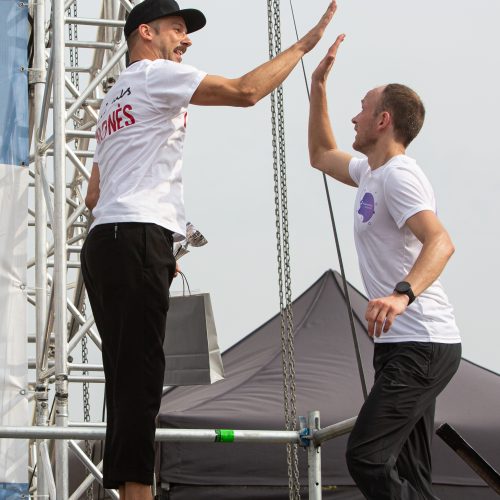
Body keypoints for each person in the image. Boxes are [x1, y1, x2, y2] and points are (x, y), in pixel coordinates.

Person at [81, 0, 338, 498]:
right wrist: (302, 47)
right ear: (146, 34)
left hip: (106, 241)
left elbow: (94, 193)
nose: (187, 38)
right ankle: (138, 493)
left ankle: (130, 489)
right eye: (178, 28)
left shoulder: (114, 97)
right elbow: (246, 92)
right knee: (140, 379)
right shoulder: (154, 75)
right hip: (134, 236)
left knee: (126, 379)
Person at [308, 35, 462, 499]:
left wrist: (401, 294)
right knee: (409, 475)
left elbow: (442, 242)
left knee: (366, 457)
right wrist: (318, 87)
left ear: (383, 120)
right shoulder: (369, 172)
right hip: (401, 345)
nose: (354, 117)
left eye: (361, 108)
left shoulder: (399, 174)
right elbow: (320, 155)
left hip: (423, 341)